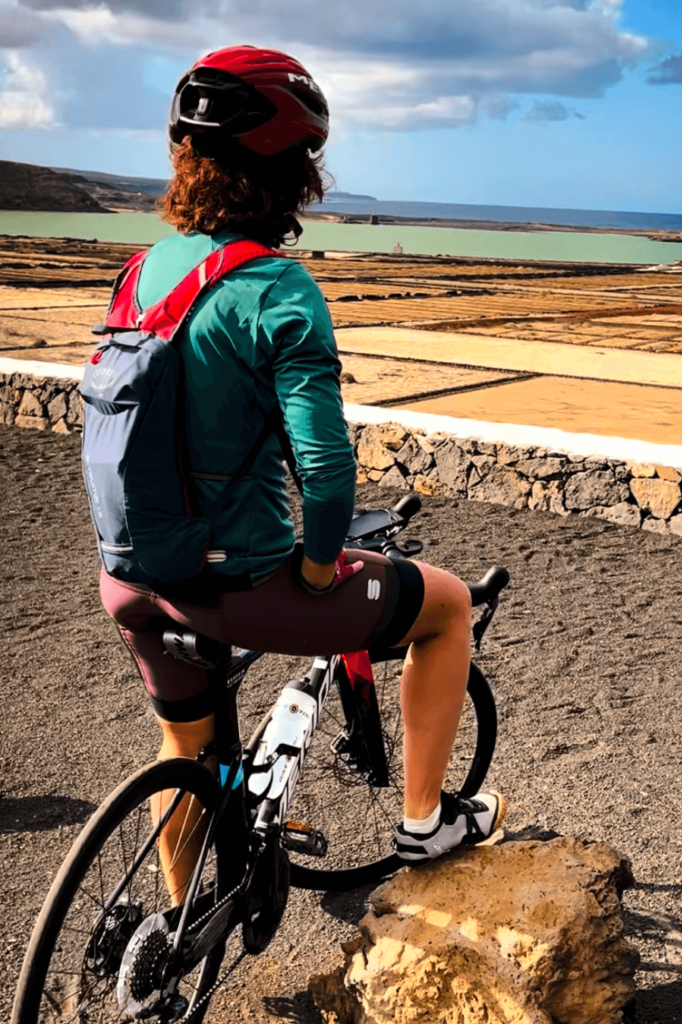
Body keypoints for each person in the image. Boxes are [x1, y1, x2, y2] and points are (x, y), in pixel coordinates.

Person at [96, 45, 505, 899]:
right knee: (449, 605)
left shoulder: (139, 275)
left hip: (132, 575)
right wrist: (318, 572)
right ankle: (427, 824)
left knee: (188, 749)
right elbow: (325, 476)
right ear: (290, 172)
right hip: (238, 582)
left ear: (186, 160)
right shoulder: (276, 288)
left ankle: (169, 936)